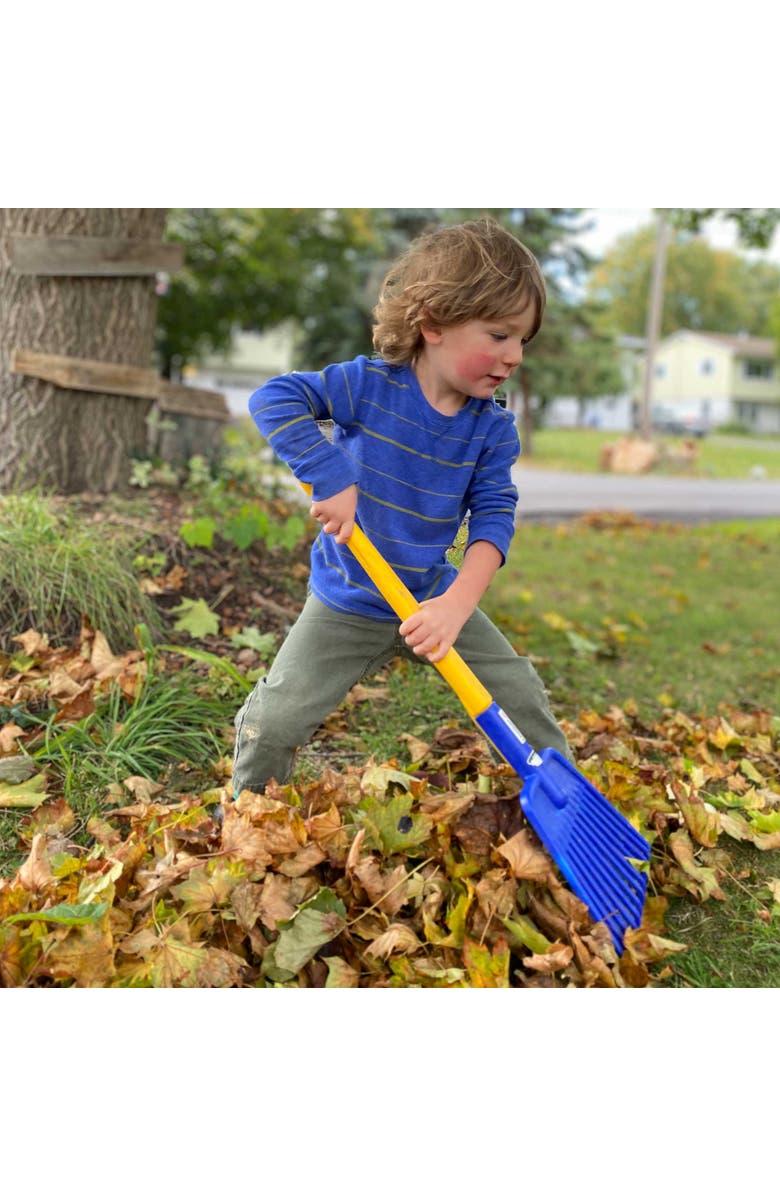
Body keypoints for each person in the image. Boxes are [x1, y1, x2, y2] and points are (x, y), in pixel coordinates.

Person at [231, 218, 572, 800]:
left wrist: (455, 607)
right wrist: (331, 474)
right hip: (350, 597)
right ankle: (250, 815)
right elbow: (273, 399)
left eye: (523, 340)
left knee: (519, 695)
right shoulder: (366, 387)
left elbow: (494, 518)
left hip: (432, 596)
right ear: (433, 323)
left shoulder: (490, 430)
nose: (514, 355)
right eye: (499, 334)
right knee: (279, 719)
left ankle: (564, 798)